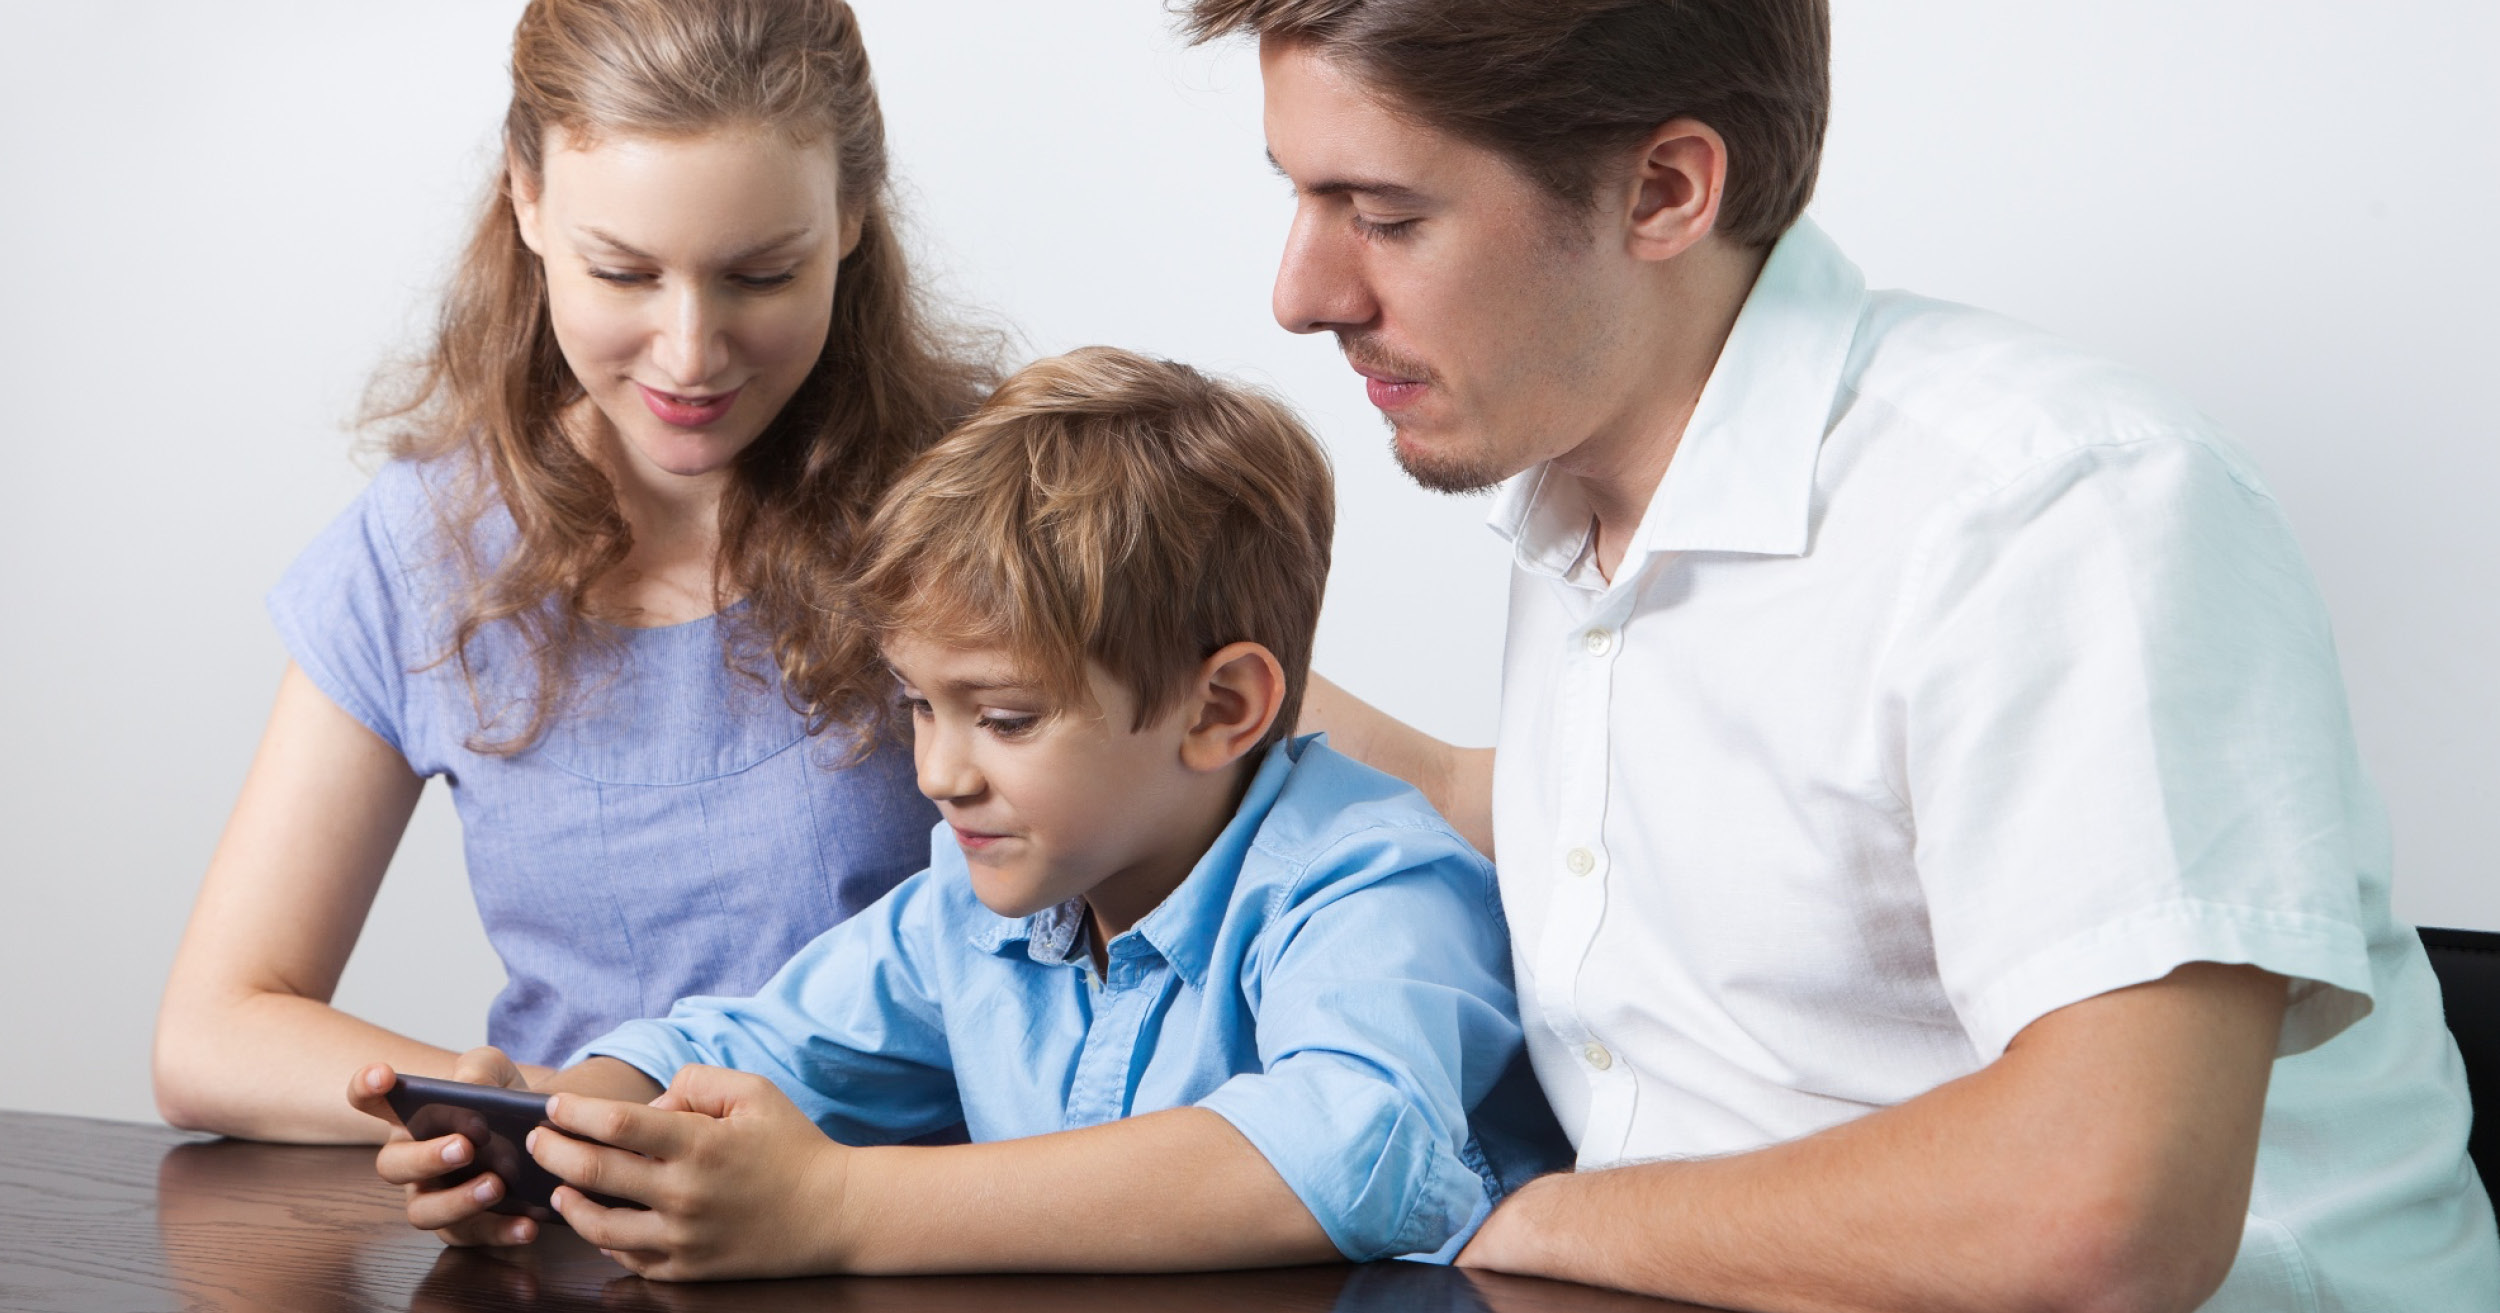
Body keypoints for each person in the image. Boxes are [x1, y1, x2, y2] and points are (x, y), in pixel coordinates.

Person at [1181, 1, 2500, 1310]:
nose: (1301, 296)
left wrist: (1532, 1222)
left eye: (1389, 216)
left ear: (1665, 190)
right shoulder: (1591, 494)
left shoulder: (2056, 505)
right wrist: (1126, 685)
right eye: (1300, 197)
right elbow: (1594, 823)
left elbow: (2104, 1213)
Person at [347, 347, 1564, 1274]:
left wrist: (835, 1206)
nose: (938, 768)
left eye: (1006, 717)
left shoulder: (1369, 880)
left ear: (1223, 707)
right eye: (921, 705)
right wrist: (564, 1128)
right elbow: (755, 1043)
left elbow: (1353, 1144)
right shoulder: (972, 908)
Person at [154, 0, 994, 1145]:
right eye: (624, 272)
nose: (690, 353)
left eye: (759, 275)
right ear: (527, 198)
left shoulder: (987, 495)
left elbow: (1275, 748)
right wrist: (532, 1121)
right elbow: (213, 1035)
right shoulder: (425, 546)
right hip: (575, 1231)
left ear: (850, 212)